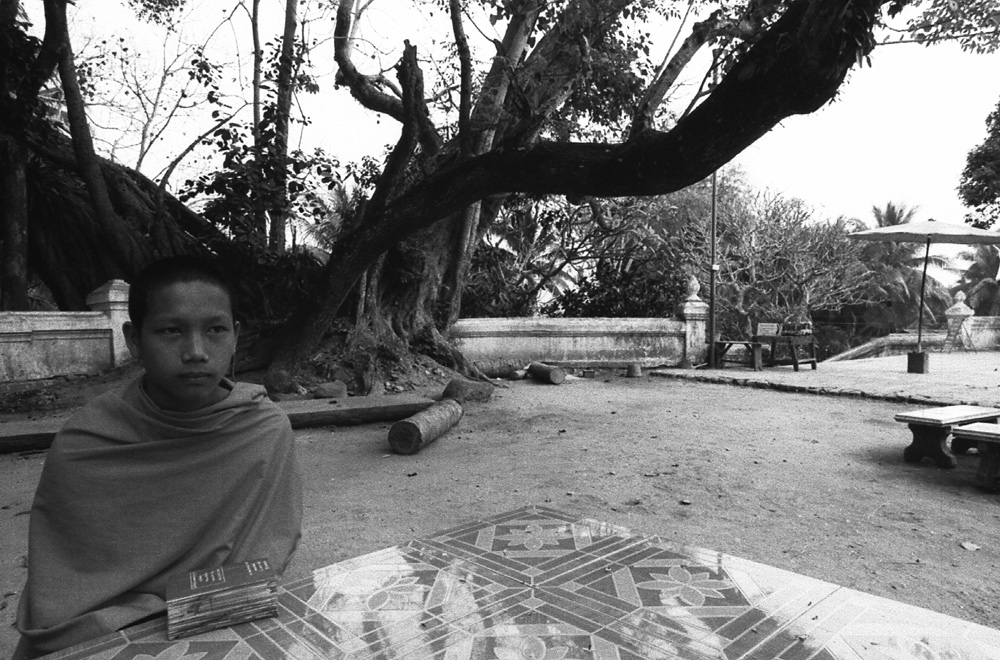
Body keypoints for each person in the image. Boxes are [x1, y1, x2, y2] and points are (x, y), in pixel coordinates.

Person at [14, 255, 303, 658]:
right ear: (134, 339)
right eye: (171, 331)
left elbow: (267, 549)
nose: (196, 351)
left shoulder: (262, 428)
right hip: (105, 631)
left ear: (236, 335)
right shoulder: (88, 441)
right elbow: (63, 588)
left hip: (221, 614)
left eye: (216, 330)